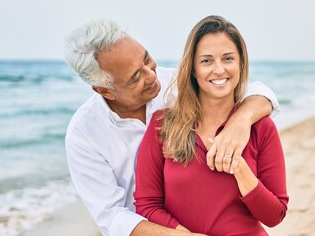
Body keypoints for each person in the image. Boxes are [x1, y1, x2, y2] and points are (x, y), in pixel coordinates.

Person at [64, 19, 279, 236]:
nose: (151, 75)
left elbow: (254, 92)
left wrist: (240, 122)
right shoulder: (83, 134)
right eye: (135, 77)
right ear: (105, 90)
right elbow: (112, 217)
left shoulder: (179, 82)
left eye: (147, 59)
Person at [134, 15, 288, 235]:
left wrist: (239, 168)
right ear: (193, 70)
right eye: (206, 61)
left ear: (241, 64)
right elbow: (147, 205)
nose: (219, 70)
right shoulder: (162, 125)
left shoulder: (261, 129)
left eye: (228, 59)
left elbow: (275, 216)